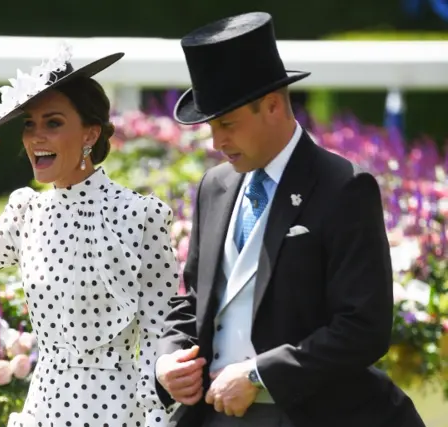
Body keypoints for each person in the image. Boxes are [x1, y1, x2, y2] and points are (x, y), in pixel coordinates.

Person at [153, 12, 426, 427]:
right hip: (211, 415)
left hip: (309, 415)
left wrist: (260, 374)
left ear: (274, 105)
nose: (216, 141)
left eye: (227, 123)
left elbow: (363, 328)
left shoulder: (345, 188)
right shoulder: (215, 185)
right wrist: (168, 358)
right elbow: (193, 300)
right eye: (211, 127)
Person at [0, 43, 179, 427]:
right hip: (45, 408)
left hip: (119, 412)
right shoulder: (27, 212)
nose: (36, 136)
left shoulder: (140, 215)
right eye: (29, 124)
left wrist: (156, 419)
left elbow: (162, 333)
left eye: (53, 122)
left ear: (89, 133)